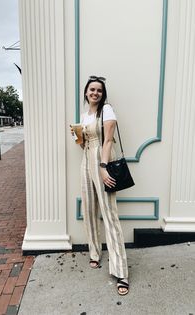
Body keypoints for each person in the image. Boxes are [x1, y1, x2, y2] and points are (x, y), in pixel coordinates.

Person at [73, 75, 129, 295]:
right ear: (86, 92)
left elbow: (107, 140)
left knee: (109, 213)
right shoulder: (84, 115)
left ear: (102, 94)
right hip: (86, 159)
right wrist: (78, 139)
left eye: (99, 90)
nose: (95, 93)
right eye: (91, 89)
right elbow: (84, 144)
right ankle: (95, 253)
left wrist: (104, 167)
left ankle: (121, 271)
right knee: (89, 210)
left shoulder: (107, 110)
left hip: (102, 159)